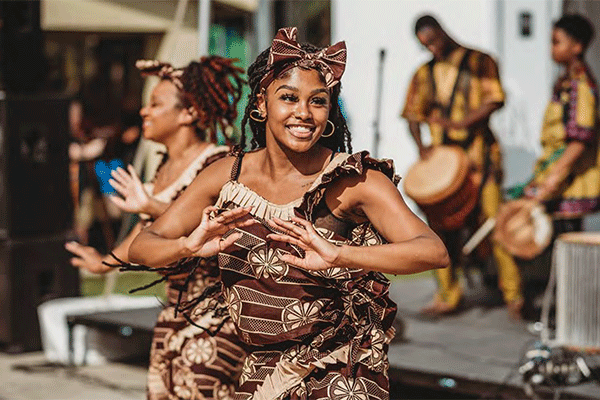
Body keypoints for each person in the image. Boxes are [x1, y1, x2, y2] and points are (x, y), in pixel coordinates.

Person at [129, 27, 448, 399]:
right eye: (289, 97)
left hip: (339, 372)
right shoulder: (227, 176)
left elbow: (432, 250)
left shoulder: (353, 180)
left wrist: (340, 254)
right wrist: (187, 245)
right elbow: (142, 247)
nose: (303, 113)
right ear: (261, 103)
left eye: (318, 101)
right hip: (260, 371)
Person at [39, 56, 247, 400]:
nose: (144, 112)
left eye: (156, 104)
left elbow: (213, 226)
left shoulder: (218, 162)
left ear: (189, 113)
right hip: (173, 314)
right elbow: (147, 235)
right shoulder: (165, 165)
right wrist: (102, 262)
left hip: (216, 321)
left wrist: (151, 206)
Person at [401, 15, 523, 318]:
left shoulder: (480, 61)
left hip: (480, 160)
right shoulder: (423, 72)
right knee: (440, 232)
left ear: (443, 31)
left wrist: (459, 123)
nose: (431, 48)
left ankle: (515, 297)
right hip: (445, 164)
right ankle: (448, 295)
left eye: (433, 40)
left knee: (495, 226)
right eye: (425, 45)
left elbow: (495, 100)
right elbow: (412, 114)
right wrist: (421, 147)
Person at [521, 14, 599, 315]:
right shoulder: (566, 81)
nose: (552, 48)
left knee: (568, 253)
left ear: (577, 46)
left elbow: (580, 139)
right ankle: (562, 313)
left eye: (557, 42)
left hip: (571, 183)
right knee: (557, 253)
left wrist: (553, 179)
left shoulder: (581, 84)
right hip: (557, 177)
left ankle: (573, 315)